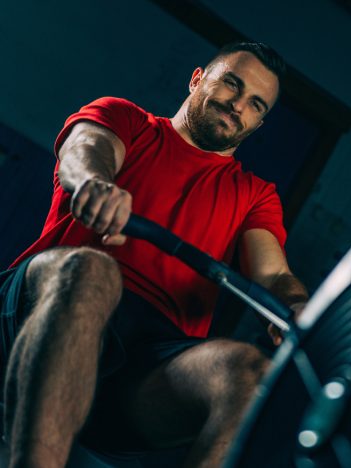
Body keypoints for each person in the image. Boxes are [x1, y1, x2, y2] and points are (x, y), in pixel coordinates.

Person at [0, 41, 308, 467]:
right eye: (231, 85)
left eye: (255, 104)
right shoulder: (126, 118)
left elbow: (273, 277)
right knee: (93, 271)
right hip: (43, 308)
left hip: (144, 365)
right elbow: (85, 151)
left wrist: (298, 308)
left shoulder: (255, 195)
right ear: (198, 78)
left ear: (257, 123)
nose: (238, 105)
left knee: (251, 374)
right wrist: (95, 182)